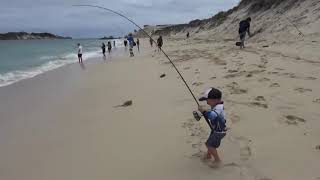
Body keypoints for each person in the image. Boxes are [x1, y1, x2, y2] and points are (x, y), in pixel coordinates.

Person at [198, 88, 227, 168]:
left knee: (210, 145)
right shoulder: (217, 106)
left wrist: (204, 111)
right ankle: (208, 155)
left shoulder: (219, 108)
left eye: (207, 100)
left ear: (215, 100)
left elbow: (212, 116)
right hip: (215, 129)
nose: (206, 102)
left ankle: (218, 161)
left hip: (219, 131)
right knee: (209, 143)